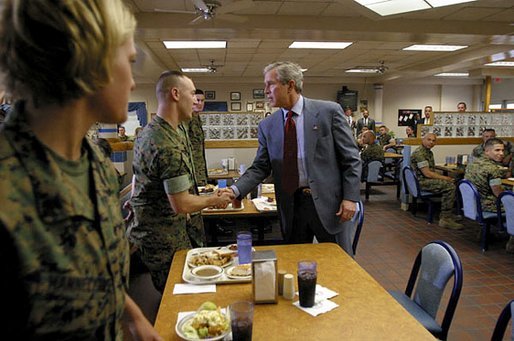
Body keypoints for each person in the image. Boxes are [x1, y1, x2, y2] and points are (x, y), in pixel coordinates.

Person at [0, 0, 161, 339]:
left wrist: (131, 316)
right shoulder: (9, 188)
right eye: (129, 62)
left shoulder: (96, 163)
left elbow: (98, 269)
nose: (132, 82)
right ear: (90, 61)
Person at [223, 61, 361, 256]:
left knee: (340, 260)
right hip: (291, 205)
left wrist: (350, 197)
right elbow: (260, 167)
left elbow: (351, 158)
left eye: (270, 84)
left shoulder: (328, 112)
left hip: (330, 205)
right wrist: (235, 190)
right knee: (295, 261)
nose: (265, 91)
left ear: (290, 85)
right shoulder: (268, 125)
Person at [127, 71, 233, 293]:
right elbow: (181, 204)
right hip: (164, 237)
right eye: (193, 93)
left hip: (161, 232)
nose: (196, 100)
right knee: (179, 295)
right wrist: (214, 199)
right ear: (175, 94)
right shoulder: (166, 143)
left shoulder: (153, 132)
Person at [465, 138, 513, 253]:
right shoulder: (492, 169)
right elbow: (498, 194)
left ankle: (484, 232)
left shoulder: (472, 163)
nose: (501, 154)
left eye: (502, 150)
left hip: (473, 202)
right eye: (497, 150)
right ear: (487, 151)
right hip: (485, 204)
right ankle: (512, 242)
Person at [410, 133, 463, 230]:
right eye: (429, 139)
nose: (431, 142)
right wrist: (446, 178)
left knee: (453, 182)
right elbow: (427, 174)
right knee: (450, 186)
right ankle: (445, 219)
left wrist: (444, 178)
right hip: (422, 182)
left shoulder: (428, 152)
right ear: (423, 140)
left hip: (426, 180)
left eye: (433, 141)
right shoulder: (420, 153)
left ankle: (447, 213)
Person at [187, 89, 208, 186]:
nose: (200, 103)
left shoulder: (197, 119)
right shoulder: (186, 119)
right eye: (197, 100)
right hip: (191, 172)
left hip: (200, 169)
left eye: (202, 101)